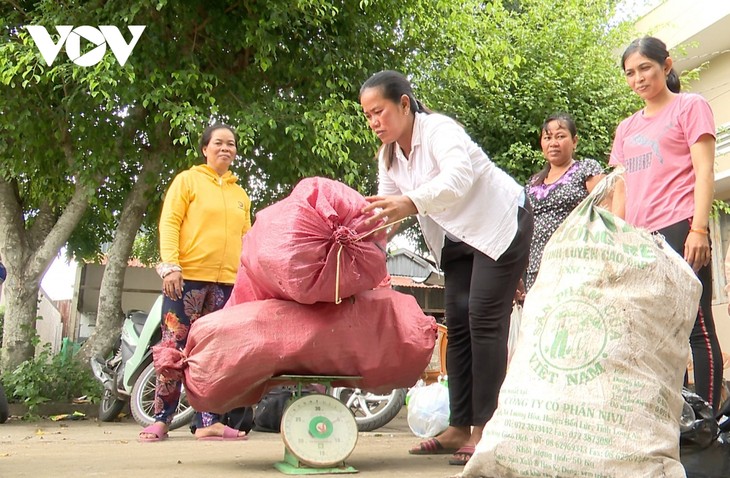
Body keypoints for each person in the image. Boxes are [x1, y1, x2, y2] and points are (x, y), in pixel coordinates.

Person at [359, 70, 533, 466]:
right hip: (456, 237)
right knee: (457, 325)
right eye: (368, 116)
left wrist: (409, 203)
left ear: (404, 103)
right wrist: (360, 239)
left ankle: (486, 429)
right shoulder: (389, 156)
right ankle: (459, 426)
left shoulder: (439, 130)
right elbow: (389, 211)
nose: (374, 123)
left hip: (500, 222)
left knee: (483, 320)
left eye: (380, 112)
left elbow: (458, 178)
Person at [609, 36, 723, 412]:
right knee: (650, 331)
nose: (638, 78)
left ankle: (704, 422)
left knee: (696, 325)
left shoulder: (690, 107)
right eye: (630, 73)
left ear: (666, 65)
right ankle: (671, 419)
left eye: (645, 68)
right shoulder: (625, 128)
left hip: (680, 225)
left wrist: (700, 229)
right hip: (640, 239)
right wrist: (616, 239)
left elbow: (705, 172)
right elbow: (620, 189)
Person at [138, 123, 252, 442]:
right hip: (185, 279)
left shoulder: (239, 194)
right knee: (173, 348)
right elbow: (170, 222)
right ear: (205, 148)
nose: (225, 148)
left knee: (213, 353)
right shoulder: (187, 181)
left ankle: (208, 422)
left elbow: (247, 238)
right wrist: (170, 266)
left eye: (231, 144)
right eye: (218, 143)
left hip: (226, 285)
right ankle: (162, 418)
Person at [523, 113, 604, 292]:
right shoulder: (533, 182)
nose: (553, 143)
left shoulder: (586, 169)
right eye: (547, 138)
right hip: (537, 266)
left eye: (560, 136)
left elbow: (607, 209)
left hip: (574, 262)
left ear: (574, 141)